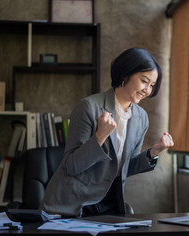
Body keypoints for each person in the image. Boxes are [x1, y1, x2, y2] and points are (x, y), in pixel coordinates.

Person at [39, 48, 174, 217]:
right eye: (144, 81)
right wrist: (100, 136)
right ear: (125, 75)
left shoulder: (141, 118)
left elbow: (125, 168)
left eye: (152, 85)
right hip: (75, 203)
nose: (147, 90)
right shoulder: (88, 107)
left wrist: (154, 152)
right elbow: (72, 166)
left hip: (111, 202)